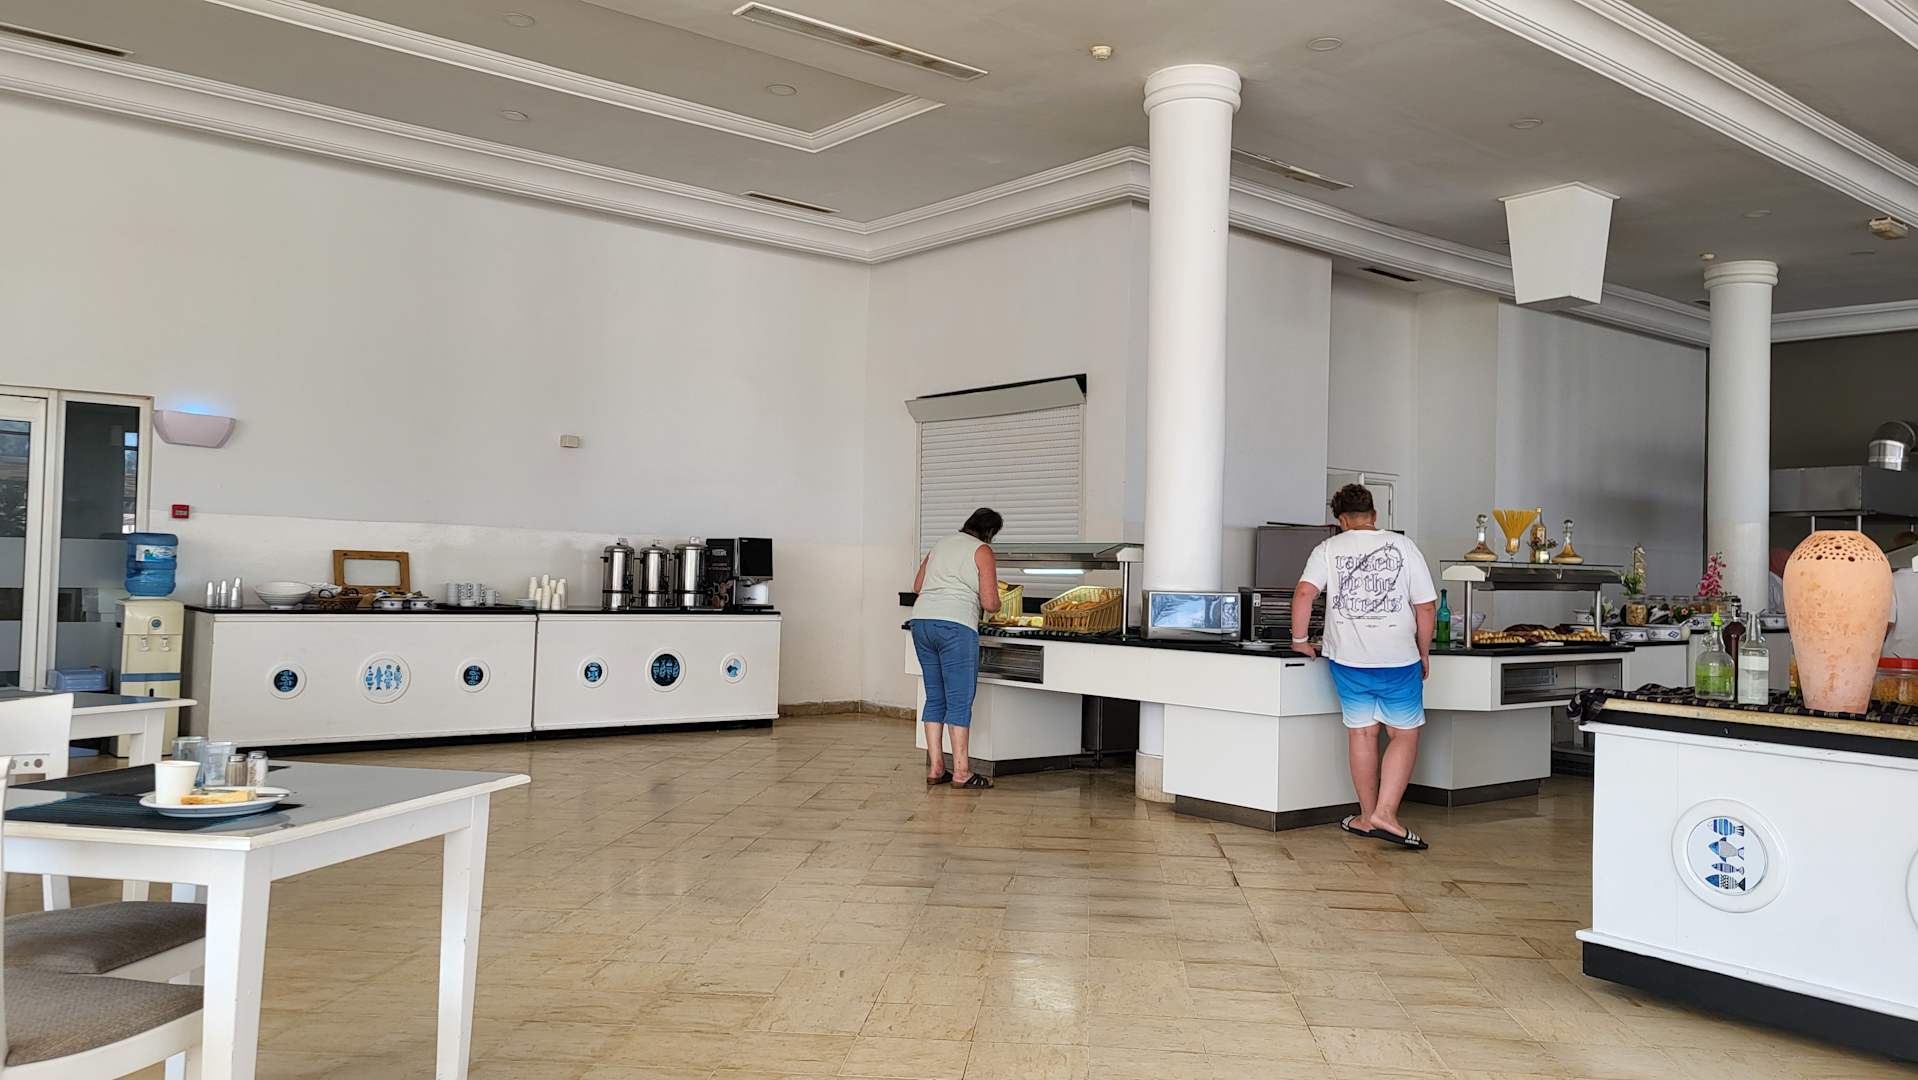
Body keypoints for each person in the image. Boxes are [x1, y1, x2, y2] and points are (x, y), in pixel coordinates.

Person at [1291, 484, 1438, 849]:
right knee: (1402, 734)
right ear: (1374, 515)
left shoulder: (1328, 549)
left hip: (1349, 660)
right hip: (1399, 659)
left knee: (1362, 734)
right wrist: (1423, 651)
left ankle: (1366, 817)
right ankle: (1386, 813)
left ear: (1341, 519)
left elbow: (1305, 593)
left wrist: (1299, 639)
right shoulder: (1404, 546)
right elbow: (1425, 607)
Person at [910, 507, 1004, 789]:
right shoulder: (982, 550)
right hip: (955, 625)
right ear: (990, 532)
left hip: (922, 622)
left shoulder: (940, 545)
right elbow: (990, 603)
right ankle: (962, 771)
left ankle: (936, 767)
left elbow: (918, 586)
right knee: (959, 699)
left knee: (935, 696)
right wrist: (1001, 603)